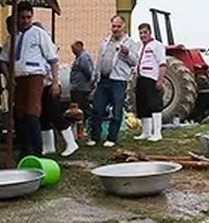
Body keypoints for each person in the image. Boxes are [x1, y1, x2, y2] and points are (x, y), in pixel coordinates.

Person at [0, 2, 61, 158]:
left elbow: (53, 59)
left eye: (29, 17)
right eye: (22, 18)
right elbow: (3, 60)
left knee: (31, 113)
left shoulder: (39, 34)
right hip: (17, 80)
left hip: (34, 77)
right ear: (16, 18)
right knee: (20, 116)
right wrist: (8, 78)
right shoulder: (12, 38)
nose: (26, 21)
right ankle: (25, 151)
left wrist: (55, 82)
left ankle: (37, 151)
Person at [88, 15, 139, 147]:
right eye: (113, 26)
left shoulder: (130, 43)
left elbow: (135, 61)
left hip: (118, 81)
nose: (115, 29)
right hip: (103, 80)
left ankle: (112, 138)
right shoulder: (106, 41)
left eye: (118, 26)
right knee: (97, 109)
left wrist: (127, 53)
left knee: (116, 110)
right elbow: (99, 60)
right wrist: (94, 77)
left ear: (124, 27)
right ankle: (95, 137)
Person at [134, 22, 167, 142]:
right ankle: (146, 132)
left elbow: (162, 64)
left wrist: (160, 80)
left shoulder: (157, 45)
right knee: (143, 105)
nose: (143, 35)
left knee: (154, 105)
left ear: (150, 32)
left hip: (151, 78)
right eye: (141, 33)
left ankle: (157, 132)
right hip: (141, 78)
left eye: (145, 32)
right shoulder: (140, 47)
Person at [69, 40, 95, 124]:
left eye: (74, 49)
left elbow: (88, 71)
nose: (73, 51)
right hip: (77, 87)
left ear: (79, 46)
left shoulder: (83, 57)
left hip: (81, 88)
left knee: (82, 108)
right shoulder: (79, 57)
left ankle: (85, 124)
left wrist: (90, 83)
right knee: (79, 107)